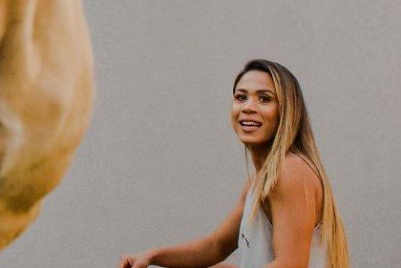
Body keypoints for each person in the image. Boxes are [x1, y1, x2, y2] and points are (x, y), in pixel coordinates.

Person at [118, 59, 349, 268]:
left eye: (264, 99)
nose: (248, 107)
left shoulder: (290, 172)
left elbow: (291, 265)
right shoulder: (258, 182)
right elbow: (215, 246)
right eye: (241, 97)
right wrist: (152, 256)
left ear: (287, 112)